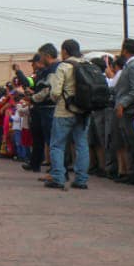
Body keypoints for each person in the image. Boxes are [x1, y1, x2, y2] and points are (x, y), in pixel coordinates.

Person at [43, 39, 89, 190]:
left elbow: (55, 92)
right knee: (81, 145)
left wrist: (55, 97)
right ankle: (81, 180)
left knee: (57, 145)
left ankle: (58, 177)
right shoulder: (87, 64)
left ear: (65, 51)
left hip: (64, 111)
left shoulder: (64, 66)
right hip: (83, 112)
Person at [112, 39, 134, 185]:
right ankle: (132, 173)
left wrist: (122, 103)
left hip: (130, 110)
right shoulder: (130, 65)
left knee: (132, 142)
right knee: (129, 143)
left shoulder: (133, 66)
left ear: (125, 50)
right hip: (128, 110)